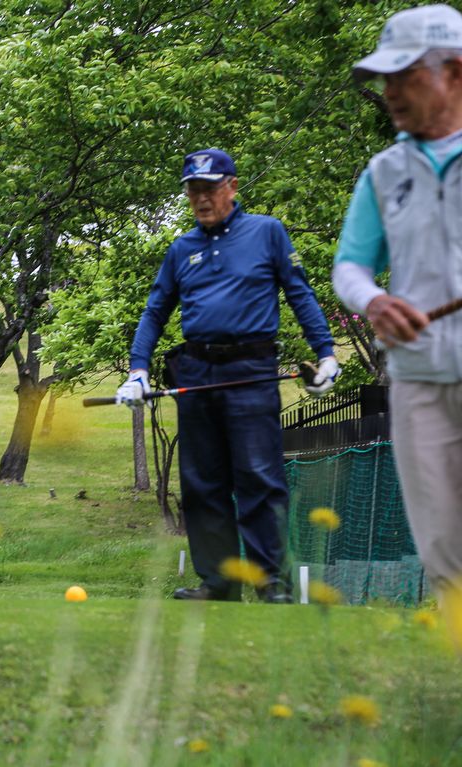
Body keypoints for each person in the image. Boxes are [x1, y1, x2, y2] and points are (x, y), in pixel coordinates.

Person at [118, 148, 339, 603]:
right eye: (193, 190)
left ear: (232, 187)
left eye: (209, 189)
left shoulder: (268, 233)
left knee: (259, 479)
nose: (201, 199)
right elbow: (155, 311)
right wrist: (138, 370)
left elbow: (300, 295)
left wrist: (327, 354)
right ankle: (219, 583)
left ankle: (269, 583)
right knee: (202, 483)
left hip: (251, 371)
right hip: (197, 372)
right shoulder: (182, 249)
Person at [332, 4, 462, 634]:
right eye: (384, 80)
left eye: (402, 76)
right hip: (417, 380)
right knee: (442, 545)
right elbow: (350, 268)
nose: (388, 93)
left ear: (453, 74)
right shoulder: (385, 173)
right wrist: (375, 301)